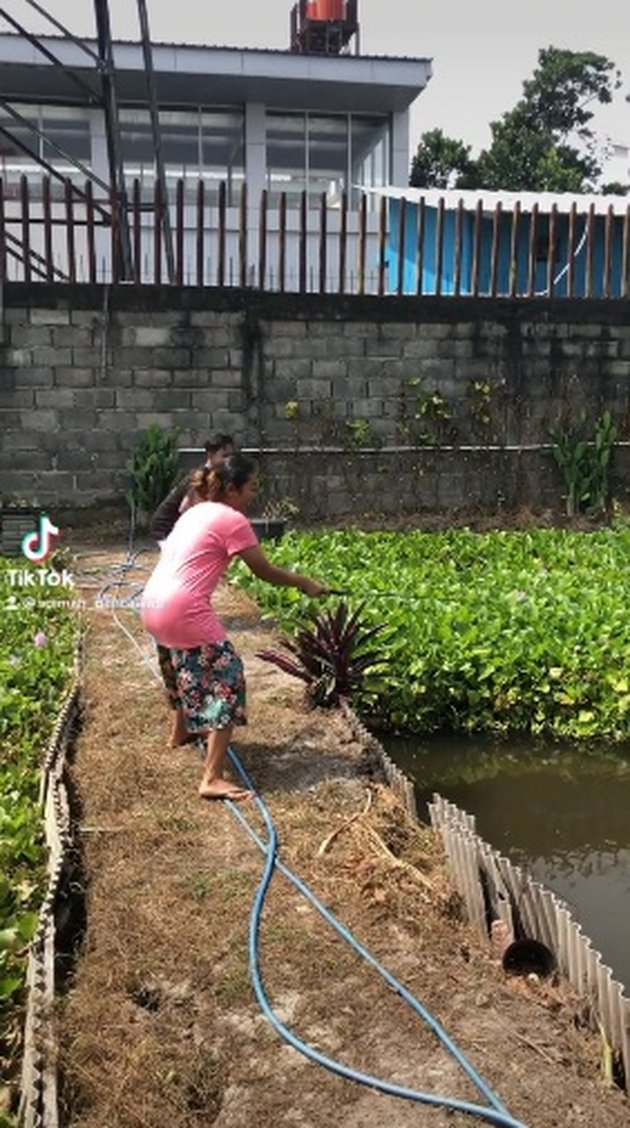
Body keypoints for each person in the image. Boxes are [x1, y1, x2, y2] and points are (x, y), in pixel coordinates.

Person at [140, 453, 328, 802]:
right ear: (231, 487)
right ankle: (211, 776)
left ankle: (179, 733)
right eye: (252, 487)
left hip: (151, 603)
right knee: (226, 678)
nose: (255, 494)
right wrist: (304, 582)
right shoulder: (232, 519)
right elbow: (264, 571)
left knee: (182, 664)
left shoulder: (194, 512)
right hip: (184, 608)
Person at [149, 433, 235, 546]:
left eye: (231, 456)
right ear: (210, 455)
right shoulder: (199, 477)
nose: (228, 461)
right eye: (224, 456)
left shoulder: (219, 476)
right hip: (166, 529)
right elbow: (186, 510)